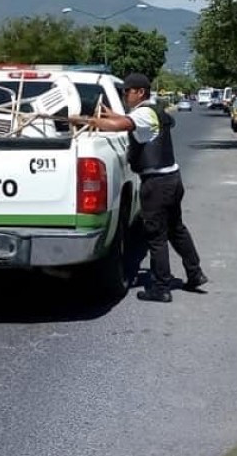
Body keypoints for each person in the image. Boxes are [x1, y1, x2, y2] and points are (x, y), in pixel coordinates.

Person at [68, 72, 207, 303]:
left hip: (157, 184)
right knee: (176, 229)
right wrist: (106, 113)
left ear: (140, 92)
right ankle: (195, 273)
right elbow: (126, 118)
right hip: (172, 178)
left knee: (156, 236)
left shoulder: (142, 114)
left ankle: (161, 287)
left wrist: (85, 121)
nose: (125, 96)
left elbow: (120, 125)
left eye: (127, 92)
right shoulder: (155, 110)